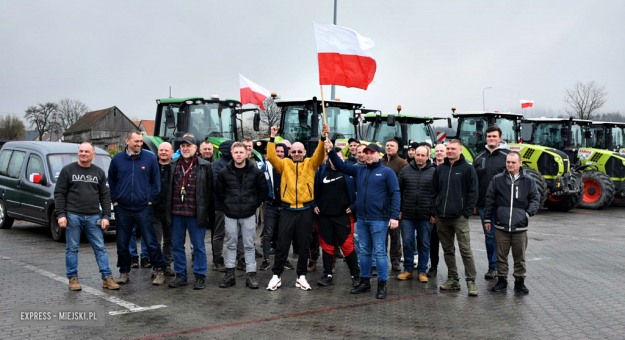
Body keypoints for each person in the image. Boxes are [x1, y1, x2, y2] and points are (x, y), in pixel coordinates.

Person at [327, 142, 400, 299]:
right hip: (362, 218)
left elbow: (395, 193)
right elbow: (341, 166)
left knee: (380, 252)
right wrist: (331, 151)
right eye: (366, 153)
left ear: (378, 154)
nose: (367, 155)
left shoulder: (387, 172)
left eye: (371, 152)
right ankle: (365, 282)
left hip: (379, 219)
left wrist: (394, 217)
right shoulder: (359, 170)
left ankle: (382, 285)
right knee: (365, 252)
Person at [266, 124, 329, 291]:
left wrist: (323, 138)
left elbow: (320, 154)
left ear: (304, 153)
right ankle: (276, 276)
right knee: (282, 244)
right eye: (293, 151)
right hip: (287, 211)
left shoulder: (311, 164)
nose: (296, 154)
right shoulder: (284, 164)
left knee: (303, 245)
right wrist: (272, 138)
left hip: (305, 211)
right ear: (289, 153)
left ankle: (301, 277)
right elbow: (272, 157)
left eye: (299, 151)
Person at [55, 142, 118, 291]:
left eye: (86, 151)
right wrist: (61, 215)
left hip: (93, 217)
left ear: (93, 155)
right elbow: (59, 194)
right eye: (81, 151)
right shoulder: (67, 171)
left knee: (100, 248)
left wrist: (106, 216)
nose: (83, 153)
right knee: (72, 248)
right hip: (72, 216)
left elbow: (105, 195)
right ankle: (73, 278)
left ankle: (107, 278)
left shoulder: (99, 173)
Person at [108, 131, 167, 285]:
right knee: (122, 242)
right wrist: (115, 199)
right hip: (123, 208)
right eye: (136, 141)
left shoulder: (150, 158)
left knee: (151, 241)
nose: (139, 144)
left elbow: (156, 182)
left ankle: (159, 270)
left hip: (143, 208)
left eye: (141, 141)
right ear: (128, 141)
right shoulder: (117, 159)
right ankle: (124, 271)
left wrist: (150, 200)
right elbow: (112, 181)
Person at [484, 151, 540, 294]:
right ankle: (502, 281)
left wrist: (527, 214)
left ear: (520, 163)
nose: (510, 164)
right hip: (501, 226)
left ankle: (519, 282)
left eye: (513, 162)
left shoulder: (529, 181)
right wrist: (487, 219)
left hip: (520, 227)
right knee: (501, 256)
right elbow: (490, 200)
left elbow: (535, 198)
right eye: (508, 162)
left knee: (519, 256)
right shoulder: (497, 179)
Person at [430, 139, 479, 296]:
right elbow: (434, 191)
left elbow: (473, 192)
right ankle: (453, 279)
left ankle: (471, 281)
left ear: (460, 151)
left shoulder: (467, 169)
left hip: (459, 217)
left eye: (453, 149)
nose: (450, 151)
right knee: (447, 250)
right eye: (448, 148)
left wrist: (466, 212)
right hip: (441, 217)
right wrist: (435, 210)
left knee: (465, 250)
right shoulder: (440, 169)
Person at [217, 142, 269, 289]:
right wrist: (227, 204)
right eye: (236, 152)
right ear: (232, 154)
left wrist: (253, 204)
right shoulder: (224, 173)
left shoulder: (256, 173)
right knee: (231, 244)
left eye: (241, 152)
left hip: (248, 214)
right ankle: (229, 274)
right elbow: (219, 192)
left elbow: (263, 191)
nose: (238, 154)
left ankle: (251, 275)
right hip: (230, 213)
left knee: (249, 245)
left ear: (247, 153)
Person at [165, 134, 213, 290]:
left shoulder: (205, 166)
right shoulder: (172, 165)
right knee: (177, 246)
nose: (185, 148)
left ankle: (200, 276)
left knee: (198, 246)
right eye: (183, 146)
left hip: (195, 213)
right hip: (176, 212)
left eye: (188, 146)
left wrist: (207, 213)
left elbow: (209, 191)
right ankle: (181, 275)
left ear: (195, 148)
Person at [313, 149, 360, 288]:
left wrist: (353, 206)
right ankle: (327, 275)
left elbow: (362, 192)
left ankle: (355, 276)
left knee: (347, 247)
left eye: (338, 158)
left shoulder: (350, 173)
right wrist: (314, 205)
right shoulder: (320, 172)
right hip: (324, 217)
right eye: (333, 158)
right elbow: (313, 191)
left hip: (343, 217)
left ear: (343, 159)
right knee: (327, 247)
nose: (335, 161)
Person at [473, 126, 510, 280]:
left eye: (494, 136)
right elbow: (473, 182)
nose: (491, 139)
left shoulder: (507, 156)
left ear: (500, 138)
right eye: (489, 136)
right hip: (484, 205)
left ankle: (502, 267)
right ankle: (492, 266)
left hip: (502, 205)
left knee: (503, 237)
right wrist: (474, 203)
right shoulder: (479, 157)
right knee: (489, 236)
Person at [397, 146, 435, 283]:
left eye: (422, 155)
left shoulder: (434, 172)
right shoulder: (405, 171)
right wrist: (398, 210)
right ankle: (408, 270)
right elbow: (398, 192)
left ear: (427, 156)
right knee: (407, 242)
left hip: (426, 216)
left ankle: (422, 271)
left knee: (424, 244)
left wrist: (434, 213)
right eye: (417, 155)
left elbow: (437, 194)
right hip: (407, 215)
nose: (419, 157)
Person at [381, 139, 408, 272]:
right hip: (380, 207)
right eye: (387, 145)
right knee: (382, 236)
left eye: (392, 146)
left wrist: (400, 209)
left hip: (395, 207)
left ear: (397, 148)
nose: (389, 147)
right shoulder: (379, 162)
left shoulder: (402, 164)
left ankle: (396, 261)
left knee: (395, 237)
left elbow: (405, 188)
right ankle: (382, 261)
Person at [153, 142, 175, 276]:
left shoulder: (175, 168)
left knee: (169, 240)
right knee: (155, 240)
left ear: (171, 153)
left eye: (166, 150)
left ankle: (167, 265)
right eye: (161, 150)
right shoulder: (152, 166)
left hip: (171, 209)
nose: (163, 152)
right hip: (154, 209)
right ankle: (157, 266)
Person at [427, 143, 447, 278]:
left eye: (441, 151)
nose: (439, 153)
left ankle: (452, 271)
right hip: (433, 211)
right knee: (433, 242)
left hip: (447, 212)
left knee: (447, 243)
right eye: (437, 151)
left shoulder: (449, 168)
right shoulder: (430, 168)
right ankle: (433, 266)